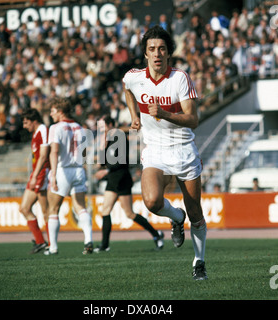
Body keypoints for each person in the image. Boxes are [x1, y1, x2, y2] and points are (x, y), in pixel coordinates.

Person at [123, 25, 207, 280]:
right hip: (155, 150)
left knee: (196, 214)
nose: (157, 53)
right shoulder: (134, 77)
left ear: (169, 53)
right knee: (151, 202)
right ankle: (175, 216)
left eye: (162, 49)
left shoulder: (180, 78)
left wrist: (164, 114)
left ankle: (199, 262)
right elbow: (127, 88)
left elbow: (193, 119)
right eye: (152, 49)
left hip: (183, 150)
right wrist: (134, 115)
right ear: (145, 54)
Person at [94, 115, 164, 252]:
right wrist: (102, 147)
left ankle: (157, 234)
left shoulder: (119, 138)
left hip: (121, 178)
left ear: (110, 125)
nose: (101, 129)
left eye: (103, 126)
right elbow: (101, 163)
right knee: (105, 210)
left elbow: (120, 162)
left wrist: (105, 170)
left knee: (129, 213)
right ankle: (104, 245)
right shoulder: (107, 140)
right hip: (112, 179)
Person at [45, 97, 93, 255]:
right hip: (79, 169)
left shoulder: (55, 127)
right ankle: (88, 240)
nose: (51, 115)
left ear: (60, 111)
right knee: (80, 207)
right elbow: (85, 151)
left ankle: (53, 247)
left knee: (53, 208)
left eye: (52, 111)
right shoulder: (79, 127)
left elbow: (54, 151)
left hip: (63, 170)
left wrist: (53, 174)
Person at [20, 108, 50, 254]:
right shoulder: (36, 132)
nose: (24, 126)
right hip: (36, 174)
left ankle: (51, 245)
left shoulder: (43, 129)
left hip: (42, 173)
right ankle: (40, 242)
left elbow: (43, 156)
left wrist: (36, 175)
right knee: (24, 208)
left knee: (46, 211)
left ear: (34, 120)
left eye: (26, 122)